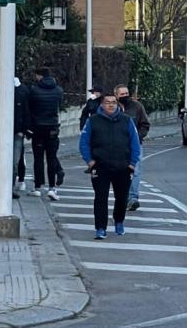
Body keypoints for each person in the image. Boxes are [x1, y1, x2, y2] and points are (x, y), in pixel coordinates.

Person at [79, 93, 141, 240]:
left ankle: (119, 222)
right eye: (108, 102)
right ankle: (100, 228)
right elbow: (84, 143)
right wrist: (90, 161)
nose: (111, 105)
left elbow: (135, 143)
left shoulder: (127, 121)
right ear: (102, 105)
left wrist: (132, 164)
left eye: (114, 102)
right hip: (100, 166)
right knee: (101, 198)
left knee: (122, 197)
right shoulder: (93, 121)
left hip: (123, 167)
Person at [27, 67, 64, 200]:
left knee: (38, 158)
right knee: (51, 158)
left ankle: (38, 187)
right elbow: (59, 106)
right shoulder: (58, 90)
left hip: (37, 128)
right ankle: (52, 188)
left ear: (39, 76)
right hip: (52, 128)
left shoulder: (34, 91)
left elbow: (30, 108)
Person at [0, 77, 30, 197]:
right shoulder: (21, 93)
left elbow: (26, 112)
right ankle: (4, 188)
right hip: (10, 132)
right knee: (10, 161)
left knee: (7, 161)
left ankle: (1, 187)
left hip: (11, 132)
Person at [115, 85, 150, 211]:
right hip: (117, 146)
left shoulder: (137, 107)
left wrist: (138, 137)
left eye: (126, 93)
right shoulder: (113, 108)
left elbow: (145, 124)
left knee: (135, 171)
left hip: (135, 145)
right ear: (116, 95)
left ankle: (133, 199)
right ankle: (122, 198)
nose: (125, 96)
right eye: (122, 94)